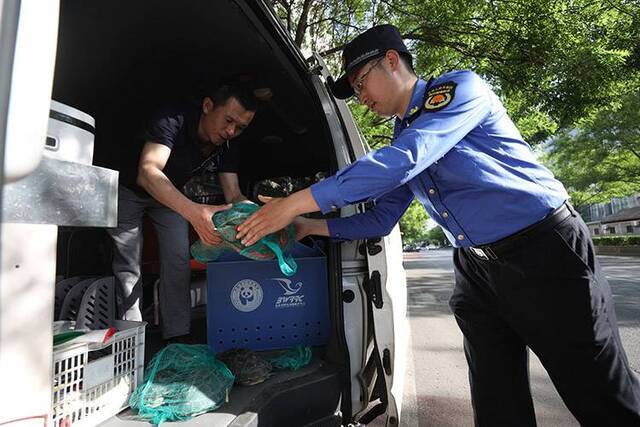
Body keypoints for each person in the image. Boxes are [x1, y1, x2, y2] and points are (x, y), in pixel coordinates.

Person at [236, 24, 640, 426]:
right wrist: (308, 226)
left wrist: (293, 204)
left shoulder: (459, 91)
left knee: (598, 392)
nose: (361, 99)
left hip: (544, 252)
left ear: (391, 61)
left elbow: (405, 160)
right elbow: (380, 218)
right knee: (496, 398)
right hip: (476, 269)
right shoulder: (405, 133)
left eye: (360, 84)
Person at [108, 84, 256, 341]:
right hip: (130, 189)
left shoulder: (229, 143)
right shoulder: (172, 118)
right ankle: (130, 340)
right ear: (208, 106)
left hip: (169, 194)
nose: (231, 131)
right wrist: (195, 212)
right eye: (228, 120)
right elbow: (148, 172)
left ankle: (177, 337)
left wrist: (261, 216)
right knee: (128, 263)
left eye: (240, 127)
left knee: (178, 259)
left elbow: (234, 195)